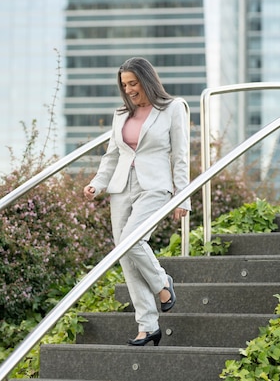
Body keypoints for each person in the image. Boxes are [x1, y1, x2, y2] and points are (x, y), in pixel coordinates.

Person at [83, 57, 190, 347]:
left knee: (132, 240)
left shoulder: (172, 108)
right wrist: (97, 183)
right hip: (120, 187)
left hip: (155, 187)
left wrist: (183, 196)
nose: (129, 89)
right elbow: (112, 155)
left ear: (147, 80)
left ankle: (162, 283)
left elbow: (180, 155)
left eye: (133, 83)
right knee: (125, 255)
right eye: (124, 85)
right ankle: (148, 326)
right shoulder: (121, 114)